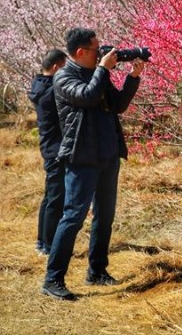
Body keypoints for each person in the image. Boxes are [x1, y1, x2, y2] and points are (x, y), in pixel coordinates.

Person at [40, 28, 145, 301]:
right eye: (96, 49)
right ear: (80, 53)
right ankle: (53, 279)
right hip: (82, 157)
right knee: (73, 216)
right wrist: (102, 69)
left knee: (105, 216)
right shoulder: (64, 77)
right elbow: (86, 96)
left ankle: (97, 271)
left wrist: (133, 77)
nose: (102, 52)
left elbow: (118, 105)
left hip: (108, 155)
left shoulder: (97, 73)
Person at [28, 48, 68, 256]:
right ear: (55, 67)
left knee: (49, 196)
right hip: (56, 149)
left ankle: (42, 241)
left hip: (49, 147)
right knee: (56, 197)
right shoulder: (50, 91)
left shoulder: (39, 85)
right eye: (64, 67)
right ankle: (50, 245)